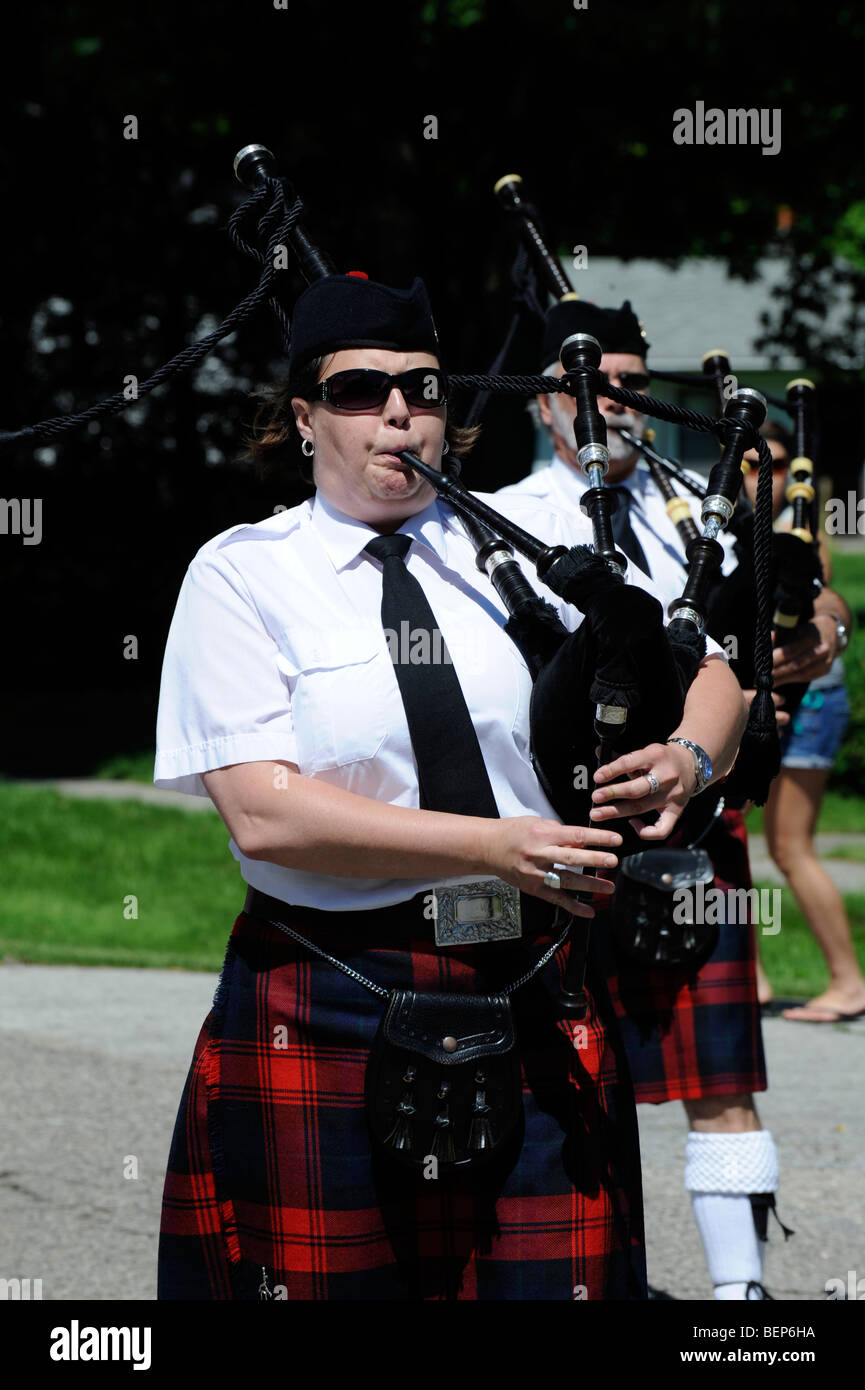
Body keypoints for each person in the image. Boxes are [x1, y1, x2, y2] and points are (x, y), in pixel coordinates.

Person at [153, 272, 746, 1301]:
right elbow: (263, 809)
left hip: (532, 981)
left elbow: (708, 671)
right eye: (358, 390)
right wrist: (489, 845)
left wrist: (689, 756)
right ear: (305, 418)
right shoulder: (244, 574)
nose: (396, 411)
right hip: (329, 986)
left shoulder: (517, 556)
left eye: (422, 389)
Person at [497, 298, 817, 1300]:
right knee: (569, 1079)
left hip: (699, 832)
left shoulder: (693, 501)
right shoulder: (506, 515)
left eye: (638, 387)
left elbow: (803, 589)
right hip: (571, 841)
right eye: (606, 388)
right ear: (554, 402)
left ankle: (739, 1299)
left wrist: (820, 630)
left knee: (720, 1084)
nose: (626, 407)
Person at [742, 421, 864, 1023]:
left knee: (791, 848)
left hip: (810, 701)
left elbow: (816, 592)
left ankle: (848, 983)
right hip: (762, 697)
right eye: (752, 464)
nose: (769, 474)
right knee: (731, 837)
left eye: (782, 463)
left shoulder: (800, 523)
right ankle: (753, 978)